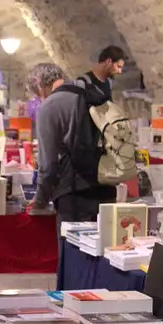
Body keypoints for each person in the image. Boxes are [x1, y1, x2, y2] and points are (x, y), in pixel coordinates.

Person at [27, 61, 113, 223]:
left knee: (73, 246)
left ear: (39, 84)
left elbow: (48, 165)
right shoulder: (94, 93)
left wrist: (40, 200)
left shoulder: (49, 106)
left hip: (74, 194)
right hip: (107, 188)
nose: (39, 99)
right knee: (101, 245)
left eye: (37, 96)